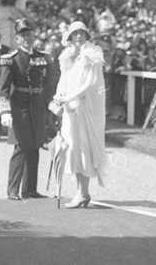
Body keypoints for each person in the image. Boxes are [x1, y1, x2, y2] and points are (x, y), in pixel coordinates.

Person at [0, 18, 54, 200]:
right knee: (21, 146)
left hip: (37, 106)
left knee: (35, 145)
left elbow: (49, 83)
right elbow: (3, 88)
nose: (27, 38)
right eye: (23, 35)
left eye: (29, 34)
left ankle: (30, 189)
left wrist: (51, 105)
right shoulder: (10, 60)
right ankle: (13, 190)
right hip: (19, 107)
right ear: (17, 39)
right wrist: (4, 111)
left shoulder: (42, 58)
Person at [52, 21, 107, 208]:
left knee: (83, 148)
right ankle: (81, 192)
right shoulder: (67, 57)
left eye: (81, 34)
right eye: (75, 34)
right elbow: (63, 81)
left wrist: (69, 97)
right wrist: (59, 97)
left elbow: (89, 84)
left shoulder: (92, 55)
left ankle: (83, 192)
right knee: (72, 148)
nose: (78, 37)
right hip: (70, 110)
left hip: (85, 110)